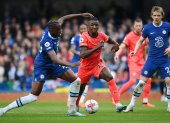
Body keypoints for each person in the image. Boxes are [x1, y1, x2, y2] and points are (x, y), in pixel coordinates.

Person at [0, 13, 94, 117]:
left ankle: (72, 110)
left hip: (52, 64)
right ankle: (4, 109)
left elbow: (63, 18)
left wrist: (81, 15)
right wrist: (71, 64)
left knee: (76, 81)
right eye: (59, 30)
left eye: (60, 28)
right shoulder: (46, 41)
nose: (61, 31)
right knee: (33, 96)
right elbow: (55, 59)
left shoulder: (54, 27)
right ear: (53, 31)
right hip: (42, 66)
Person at [124, 6, 170, 112]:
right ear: (151, 16)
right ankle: (131, 104)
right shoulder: (148, 28)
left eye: (158, 15)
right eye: (154, 15)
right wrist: (135, 51)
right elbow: (140, 41)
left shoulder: (168, 26)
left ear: (162, 15)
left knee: (168, 82)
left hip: (164, 60)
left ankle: (169, 105)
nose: (156, 17)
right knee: (141, 82)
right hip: (152, 60)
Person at [76, 17, 126, 112]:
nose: (94, 27)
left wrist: (116, 45)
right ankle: (76, 105)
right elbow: (83, 54)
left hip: (97, 65)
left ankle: (118, 104)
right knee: (81, 88)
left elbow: (111, 40)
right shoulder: (84, 36)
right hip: (85, 67)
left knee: (110, 77)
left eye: (96, 25)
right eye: (92, 25)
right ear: (88, 26)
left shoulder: (101, 35)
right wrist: (97, 47)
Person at [114, 18, 155, 107]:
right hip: (133, 61)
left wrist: (147, 59)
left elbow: (146, 48)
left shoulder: (144, 36)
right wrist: (117, 54)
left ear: (142, 26)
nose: (138, 27)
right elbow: (122, 46)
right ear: (133, 26)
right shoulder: (129, 36)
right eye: (136, 25)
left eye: (140, 26)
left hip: (142, 62)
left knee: (149, 80)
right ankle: (116, 97)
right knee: (132, 81)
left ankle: (145, 102)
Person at [67, 24, 88, 107]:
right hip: (76, 63)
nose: (83, 30)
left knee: (84, 83)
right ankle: (69, 101)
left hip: (85, 63)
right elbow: (72, 49)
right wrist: (80, 53)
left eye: (85, 29)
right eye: (81, 28)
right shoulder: (75, 38)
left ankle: (81, 101)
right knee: (75, 82)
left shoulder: (90, 38)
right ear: (79, 30)